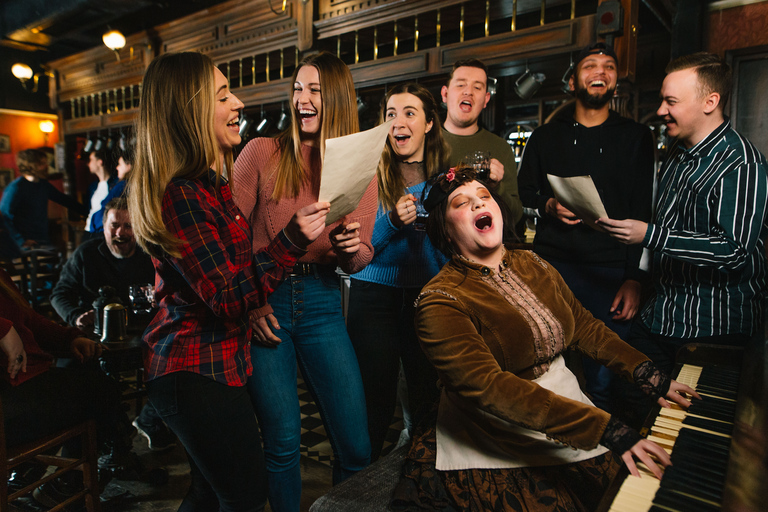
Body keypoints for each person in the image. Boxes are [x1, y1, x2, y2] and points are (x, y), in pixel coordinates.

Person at [389, 166, 699, 511]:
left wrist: (648, 374)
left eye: (484, 197)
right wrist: (605, 428)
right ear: (445, 231)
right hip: (491, 429)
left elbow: (584, 327)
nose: (478, 205)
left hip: (566, 403)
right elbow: (489, 387)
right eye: (462, 203)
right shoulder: (440, 299)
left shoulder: (533, 262)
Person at [127, 51, 324, 512]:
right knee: (245, 496)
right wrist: (290, 240)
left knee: (210, 494)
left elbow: (231, 280)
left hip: (213, 364)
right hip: (192, 370)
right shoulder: (182, 194)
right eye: (222, 95)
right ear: (189, 111)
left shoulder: (207, 185)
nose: (239, 103)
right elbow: (228, 297)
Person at [232, 51, 376, 511]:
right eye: (297, 88)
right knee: (282, 445)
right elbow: (228, 237)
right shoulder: (261, 152)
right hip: (265, 300)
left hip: (322, 301)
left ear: (335, 99)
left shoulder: (358, 166)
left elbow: (361, 259)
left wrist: (354, 250)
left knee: (356, 446)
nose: (302, 99)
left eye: (314, 90)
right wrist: (252, 303)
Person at [597, 52, 768, 419]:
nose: (660, 110)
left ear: (710, 102)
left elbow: (734, 250)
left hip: (714, 330)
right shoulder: (677, 152)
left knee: (688, 426)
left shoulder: (743, 164)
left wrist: (650, 235)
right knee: (626, 397)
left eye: (671, 101)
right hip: (660, 315)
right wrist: (638, 277)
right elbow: (662, 222)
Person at [517, 42, 655, 412]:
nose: (601, 71)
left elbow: (644, 211)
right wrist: (548, 205)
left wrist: (633, 279)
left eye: (609, 66)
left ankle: (602, 461)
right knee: (542, 370)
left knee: (604, 379)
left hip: (608, 272)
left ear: (615, 81)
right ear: (574, 79)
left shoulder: (637, 136)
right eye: (590, 65)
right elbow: (525, 191)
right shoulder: (545, 135)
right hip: (551, 268)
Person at [347, 83, 448, 461]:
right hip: (373, 297)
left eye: (409, 113)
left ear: (428, 125)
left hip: (427, 297)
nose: (398, 122)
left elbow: (451, 247)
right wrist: (391, 221)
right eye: (391, 113)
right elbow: (352, 245)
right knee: (375, 401)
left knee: (426, 396)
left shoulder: (446, 179)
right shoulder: (369, 174)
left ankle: (419, 483)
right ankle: (358, 491)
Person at [51, 196, 175, 452]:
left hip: (144, 338)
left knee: (180, 361)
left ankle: (149, 419)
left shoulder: (151, 255)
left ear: (138, 229)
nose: (120, 232)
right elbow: (59, 294)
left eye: (128, 226)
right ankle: (89, 445)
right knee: (66, 371)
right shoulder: (86, 254)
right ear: (103, 227)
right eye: (114, 225)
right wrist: (76, 315)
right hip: (95, 340)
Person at [0, 267, 129, 508]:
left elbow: (29, 320)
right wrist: (3, 329)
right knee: (102, 391)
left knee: (92, 374)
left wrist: (71, 338)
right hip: (9, 399)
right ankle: (63, 484)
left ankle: (36, 476)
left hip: (25, 385)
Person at [441, 58, 523, 227]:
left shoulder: (500, 148)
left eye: (477, 87)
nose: (468, 92)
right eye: (461, 84)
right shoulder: (422, 142)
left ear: (486, 99)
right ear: (445, 94)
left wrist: (496, 187)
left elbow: (515, 216)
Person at [0, 148, 88, 254]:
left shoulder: (43, 184)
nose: (47, 166)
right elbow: (4, 217)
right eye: (42, 163)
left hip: (42, 237)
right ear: (30, 165)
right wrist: (21, 240)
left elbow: (65, 200)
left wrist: (91, 213)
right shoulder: (16, 187)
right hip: (25, 243)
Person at [88, 148, 134, 233]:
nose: (117, 168)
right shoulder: (93, 186)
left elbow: (106, 208)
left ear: (129, 166)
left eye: (120, 164)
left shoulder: (122, 185)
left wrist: (93, 223)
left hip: (100, 230)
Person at [83, 147, 118, 237]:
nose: (88, 164)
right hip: (89, 229)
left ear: (100, 162)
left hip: (105, 231)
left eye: (91, 160)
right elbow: (88, 209)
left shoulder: (115, 184)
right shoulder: (93, 186)